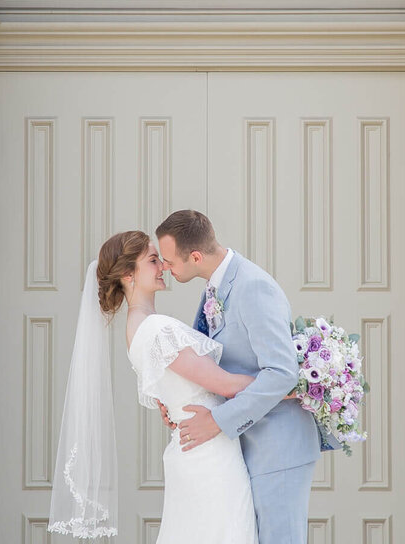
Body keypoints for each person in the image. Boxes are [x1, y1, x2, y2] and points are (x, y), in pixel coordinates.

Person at [48, 230, 257, 543]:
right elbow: (225, 385)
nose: (164, 266)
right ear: (129, 274)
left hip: (194, 448)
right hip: (209, 455)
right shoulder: (156, 330)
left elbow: (172, 387)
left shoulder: (139, 327)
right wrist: (291, 384)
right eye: (153, 260)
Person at [156, 210, 321, 544]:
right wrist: (174, 400)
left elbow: (282, 372)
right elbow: (207, 361)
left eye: (169, 261)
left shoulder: (252, 286)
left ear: (196, 256)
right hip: (247, 446)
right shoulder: (213, 290)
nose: (165, 269)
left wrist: (217, 420)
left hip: (278, 448)